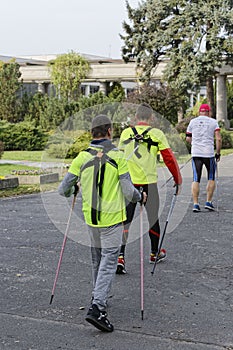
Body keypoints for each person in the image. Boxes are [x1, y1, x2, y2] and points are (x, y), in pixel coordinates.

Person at [58, 114, 146, 332]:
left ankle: (98, 295)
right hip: (112, 220)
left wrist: (73, 189)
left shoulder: (81, 158)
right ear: (109, 132)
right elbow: (128, 191)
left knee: (97, 260)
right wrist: (140, 196)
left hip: (91, 220)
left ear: (91, 133)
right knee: (108, 262)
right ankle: (97, 308)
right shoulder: (118, 157)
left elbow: (63, 189)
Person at [116, 103, 182, 274]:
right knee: (153, 218)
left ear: (136, 118)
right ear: (151, 117)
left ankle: (120, 256)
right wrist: (177, 179)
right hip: (149, 183)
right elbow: (169, 158)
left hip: (129, 183)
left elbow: (118, 157)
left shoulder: (126, 133)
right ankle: (154, 253)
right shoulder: (157, 134)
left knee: (126, 219)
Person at [186, 103, 222, 212]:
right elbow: (218, 139)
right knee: (211, 177)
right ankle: (208, 202)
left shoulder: (193, 122)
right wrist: (218, 153)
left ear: (199, 112)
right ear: (209, 112)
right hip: (209, 153)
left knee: (196, 178)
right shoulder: (213, 122)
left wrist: (194, 145)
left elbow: (188, 138)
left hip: (196, 153)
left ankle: (196, 204)